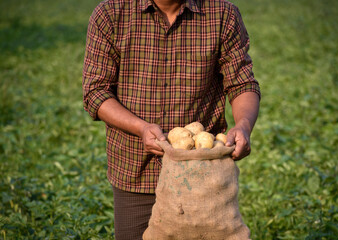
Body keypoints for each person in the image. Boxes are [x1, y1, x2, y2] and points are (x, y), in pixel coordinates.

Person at [82, 0, 260, 239]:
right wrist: (141, 128)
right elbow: (96, 91)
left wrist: (243, 126)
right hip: (136, 169)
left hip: (202, 174)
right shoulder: (112, 13)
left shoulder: (222, 13)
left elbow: (242, 83)